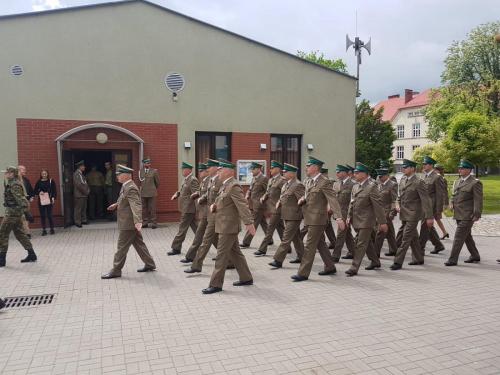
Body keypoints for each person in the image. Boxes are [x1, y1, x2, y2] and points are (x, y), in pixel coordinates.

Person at [202, 159, 255, 294]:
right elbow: (225, 202)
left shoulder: (234, 186)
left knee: (221, 256)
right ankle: (246, 278)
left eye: (221, 169)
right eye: (218, 169)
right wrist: (215, 206)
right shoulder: (225, 185)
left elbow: (242, 205)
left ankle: (216, 284)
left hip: (228, 227)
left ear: (229, 171)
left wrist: (249, 223)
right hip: (224, 225)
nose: (218, 171)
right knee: (236, 253)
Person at [291, 157, 344, 282]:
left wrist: (338, 217)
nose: (306, 168)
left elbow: (333, 200)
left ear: (315, 167)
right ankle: (330, 266)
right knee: (320, 244)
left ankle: (303, 273)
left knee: (309, 246)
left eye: (308, 166)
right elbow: (308, 196)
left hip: (318, 219)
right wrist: (303, 199)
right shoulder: (309, 181)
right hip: (309, 218)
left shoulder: (324, 182)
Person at [101, 165, 156, 279]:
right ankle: (150, 264)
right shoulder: (126, 186)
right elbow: (125, 199)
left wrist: (138, 221)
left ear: (126, 175)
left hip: (128, 224)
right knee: (139, 244)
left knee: (121, 247)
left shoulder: (130, 187)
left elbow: (136, 205)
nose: (117, 176)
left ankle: (116, 270)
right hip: (129, 222)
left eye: (119, 174)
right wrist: (116, 205)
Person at [345, 163, 387, 276]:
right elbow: (352, 203)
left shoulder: (372, 186)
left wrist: (383, 222)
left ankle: (354, 268)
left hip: (366, 221)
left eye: (357, 173)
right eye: (354, 172)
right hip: (356, 220)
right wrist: (349, 216)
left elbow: (378, 205)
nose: (354, 174)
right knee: (367, 242)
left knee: (360, 243)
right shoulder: (355, 186)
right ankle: (375, 261)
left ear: (365, 174)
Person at [391, 159, 433, 270]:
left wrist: (429, 217)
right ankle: (419, 258)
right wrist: (398, 204)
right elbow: (400, 196)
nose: (403, 169)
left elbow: (426, 200)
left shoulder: (419, 182)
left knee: (405, 238)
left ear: (412, 168)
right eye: (403, 167)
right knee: (413, 238)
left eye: (406, 167)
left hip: (414, 214)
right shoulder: (403, 179)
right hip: (404, 213)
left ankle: (398, 262)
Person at [185, 159, 223, 273]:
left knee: (206, 240)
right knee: (208, 238)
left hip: (215, 215)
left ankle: (196, 265)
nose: (207, 169)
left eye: (209, 167)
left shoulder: (220, 181)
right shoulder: (212, 180)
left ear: (216, 168)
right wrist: (202, 197)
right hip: (208, 214)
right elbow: (209, 193)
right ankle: (231, 261)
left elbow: (221, 197)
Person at [445, 160, 483, 266]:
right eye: (459, 168)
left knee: (458, 237)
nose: (459, 170)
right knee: (466, 236)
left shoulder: (475, 182)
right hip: (458, 214)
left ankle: (452, 259)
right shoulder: (458, 181)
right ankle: (475, 255)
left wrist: (476, 214)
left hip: (468, 215)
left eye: (462, 168)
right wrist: (451, 203)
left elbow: (478, 200)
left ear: (469, 170)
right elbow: (454, 195)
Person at [269, 163, 305, 268]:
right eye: (283, 171)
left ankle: (278, 260)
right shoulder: (286, 184)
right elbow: (283, 196)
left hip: (294, 215)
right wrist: (279, 201)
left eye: (286, 171)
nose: (283, 173)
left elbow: (303, 199)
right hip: (286, 215)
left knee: (286, 238)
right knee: (296, 237)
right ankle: (302, 256)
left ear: (292, 174)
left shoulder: (298, 185)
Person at [0, 166, 38, 267]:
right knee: (20, 234)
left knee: (2, 234)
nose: (6, 174)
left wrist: (27, 212)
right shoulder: (12, 182)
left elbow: (21, 199)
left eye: (8, 172)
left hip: (12, 214)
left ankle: (1, 259)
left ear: (12, 174)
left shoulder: (14, 184)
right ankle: (32, 254)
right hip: (15, 213)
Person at [254, 160, 285, 256]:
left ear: (278, 169)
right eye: (270, 168)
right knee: (281, 229)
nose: (270, 169)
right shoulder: (271, 180)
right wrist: (264, 197)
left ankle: (262, 249)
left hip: (277, 209)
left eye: (272, 168)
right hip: (270, 208)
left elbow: (285, 194)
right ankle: (287, 247)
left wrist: (280, 202)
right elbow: (267, 192)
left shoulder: (282, 180)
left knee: (269, 229)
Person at [168, 162, 199, 256]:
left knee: (182, 229)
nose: (182, 171)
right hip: (185, 208)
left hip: (189, 209)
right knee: (198, 230)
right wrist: (177, 194)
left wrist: (197, 206)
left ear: (189, 170)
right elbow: (183, 191)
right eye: (182, 169)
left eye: (184, 169)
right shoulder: (185, 179)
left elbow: (197, 192)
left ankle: (176, 248)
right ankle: (206, 241)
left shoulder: (192, 180)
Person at [181, 163, 210, 263]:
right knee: (202, 234)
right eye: (200, 170)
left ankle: (192, 259)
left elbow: (209, 194)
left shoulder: (210, 181)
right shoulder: (203, 181)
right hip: (205, 213)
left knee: (203, 235)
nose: (200, 172)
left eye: (202, 171)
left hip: (210, 213)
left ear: (207, 171)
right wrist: (197, 194)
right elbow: (200, 192)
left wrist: (197, 206)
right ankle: (191, 257)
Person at [419, 156, 446, 254]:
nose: (423, 165)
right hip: (423, 206)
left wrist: (438, 210)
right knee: (428, 227)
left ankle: (419, 249)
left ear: (431, 165)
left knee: (424, 226)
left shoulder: (437, 177)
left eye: (425, 164)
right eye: (423, 164)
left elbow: (440, 195)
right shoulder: (424, 176)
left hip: (431, 206)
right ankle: (438, 245)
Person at [240, 162, 269, 248]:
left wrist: (263, 199)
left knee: (253, 223)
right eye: (251, 169)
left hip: (259, 205)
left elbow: (268, 191)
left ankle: (246, 241)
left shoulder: (264, 179)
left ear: (258, 169)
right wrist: (248, 194)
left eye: (253, 169)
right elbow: (250, 188)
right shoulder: (254, 178)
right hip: (253, 204)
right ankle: (269, 238)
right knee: (263, 222)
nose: (251, 171)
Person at [332, 164, 356, 262]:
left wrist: (349, 215)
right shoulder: (336, 184)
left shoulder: (353, 184)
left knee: (341, 233)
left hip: (349, 213)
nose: (337, 173)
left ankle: (335, 256)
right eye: (336, 171)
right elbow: (333, 198)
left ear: (345, 173)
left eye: (339, 172)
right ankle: (353, 251)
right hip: (339, 213)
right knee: (346, 234)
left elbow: (353, 200)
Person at [373, 168, 398, 257]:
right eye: (379, 176)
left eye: (382, 176)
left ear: (387, 175)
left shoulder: (392, 185)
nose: (380, 178)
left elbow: (394, 200)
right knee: (390, 233)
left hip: (386, 213)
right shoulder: (379, 184)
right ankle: (394, 250)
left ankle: (375, 254)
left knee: (380, 232)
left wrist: (391, 214)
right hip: (379, 212)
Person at [34, 169, 57, 236]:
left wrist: (53, 197)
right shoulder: (38, 182)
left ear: (47, 174)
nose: (44, 175)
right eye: (43, 174)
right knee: (43, 215)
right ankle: (44, 230)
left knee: (49, 215)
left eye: (45, 173)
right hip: (41, 200)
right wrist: (39, 192)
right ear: (41, 174)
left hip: (49, 199)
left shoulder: (51, 181)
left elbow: (54, 190)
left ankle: (52, 229)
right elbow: (35, 191)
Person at [139, 158, 160, 229]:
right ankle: (145, 223)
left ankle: (154, 223)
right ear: (143, 164)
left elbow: (157, 183)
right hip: (143, 193)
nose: (147, 164)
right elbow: (140, 182)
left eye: (148, 163)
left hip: (152, 193)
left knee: (152, 208)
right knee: (144, 208)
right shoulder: (140, 171)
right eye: (146, 163)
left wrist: (153, 188)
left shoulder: (154, 171)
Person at [321, 167, 337, 249]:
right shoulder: (329, 181)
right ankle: (333, 242)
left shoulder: (328, 182)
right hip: (324, 207)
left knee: (323, 225)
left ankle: (321, 242)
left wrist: (330, 207)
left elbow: (331, 196)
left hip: (327, 207)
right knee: (327, 225)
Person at [18, 165, 34, 238]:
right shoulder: (15, 181)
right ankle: (27, 233)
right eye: (23, 170)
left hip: (26, 202)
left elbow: (31, 190)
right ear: (18, 171)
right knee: (22, 218)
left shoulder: (26, 180)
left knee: (26, 217)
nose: (25, 171)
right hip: (18, 203)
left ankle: (26, 232)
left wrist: (31, 197)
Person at [434, 164, 450, 240]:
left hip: (439, 202)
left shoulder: (442, 179)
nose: (433, 170)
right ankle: (444, 232)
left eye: (435, 169)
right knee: (436, 218)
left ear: (438, 170)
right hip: (436, 202)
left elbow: (444, 192)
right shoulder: (437, 178)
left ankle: (444, 232)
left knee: (436, 218)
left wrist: (445, 203)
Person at [73, 160, 89, 227]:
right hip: (80, 194)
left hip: (83, 194)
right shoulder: (76, 174)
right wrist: (86, 191)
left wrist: (88, 190)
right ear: (80, 167)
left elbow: (85, 183)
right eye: (83, 166)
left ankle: (83, 220)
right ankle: (77, 222)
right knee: (78, 209)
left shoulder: (81, 174)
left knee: (83, 208)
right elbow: (79, 185)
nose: (84, 167)